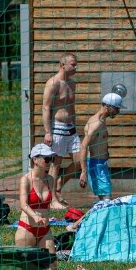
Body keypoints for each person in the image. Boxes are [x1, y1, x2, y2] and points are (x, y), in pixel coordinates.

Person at [16, 143, 78, 270]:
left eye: (51, 158)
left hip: (45, 231)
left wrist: (73, 214)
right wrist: (35, 215)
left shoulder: (50, 180)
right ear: (35, 160)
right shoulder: (25, 180)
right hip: (26, 229)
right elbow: (23, 204)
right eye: (47, 158)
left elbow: (53, 203)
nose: (50, 161)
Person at [42, 52, 80, 207]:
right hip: (57, 128)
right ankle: (52, 200)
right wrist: (48, 132)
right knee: (56, 164)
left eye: (76, 63)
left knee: (81, 160)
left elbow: (72, 107)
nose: (75, 66)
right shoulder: (53, 83)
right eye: (73, 63)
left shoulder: (72, 83)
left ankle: (59, 184)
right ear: (62, 65)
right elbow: (45, 107)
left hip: (71, 128)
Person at [78, 92, 124, 200]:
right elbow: (83, 146)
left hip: (100, 164)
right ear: (108, 107)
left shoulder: (101, 120)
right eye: (117, 109)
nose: (118, 111)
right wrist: (83, 172)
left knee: (104, 199)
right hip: (97, 165)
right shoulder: (96, 124)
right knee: (107, 198)